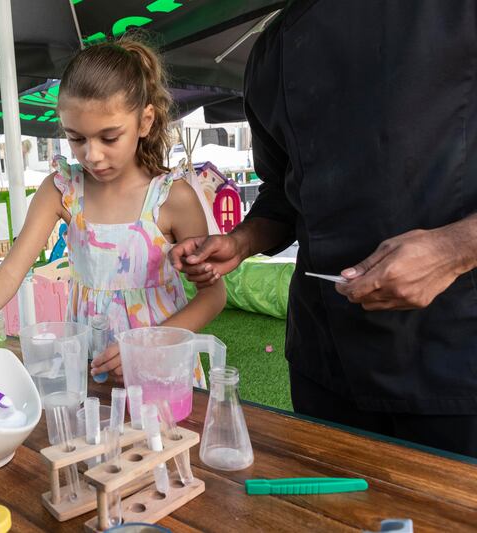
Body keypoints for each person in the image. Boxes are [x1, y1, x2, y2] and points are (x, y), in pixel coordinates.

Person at [170, 1, 477, 457]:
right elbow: (284, 190)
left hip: (456, 358)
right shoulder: (272, 50)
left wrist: (454, 248)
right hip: (326, 360)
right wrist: (242, 240)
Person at [0, 39, 226, 382]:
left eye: (109, 137)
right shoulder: (61, 190)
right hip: (93, 367)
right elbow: (11, 271)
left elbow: (213, 294)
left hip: (163, 371)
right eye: (77, 138)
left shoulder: (171, 197)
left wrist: (150, 344)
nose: (92, 155)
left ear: (145, 122)